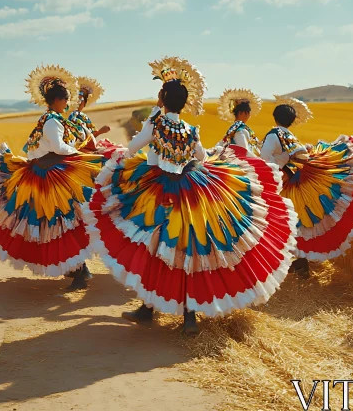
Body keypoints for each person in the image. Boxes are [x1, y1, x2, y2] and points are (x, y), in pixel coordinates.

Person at [84, 57, 299, 335]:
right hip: (194, 188)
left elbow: (133, 147)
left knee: (156, 247)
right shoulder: (189, 129)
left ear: (162, 98)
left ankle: (150, 309)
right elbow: (200, 156)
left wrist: (125, 162)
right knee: (191, 249)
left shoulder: (155, 124)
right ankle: (186, 317)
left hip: (159, 190)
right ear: (184, 104)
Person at [0, 64, 104, 291]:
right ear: (59, 100)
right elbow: (60, 147)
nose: (68, 102)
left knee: (62, 219)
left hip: (47, 172)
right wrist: (78, 153)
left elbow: (44, 147)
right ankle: (78, 268)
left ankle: (79, 269)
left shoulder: (50, 119)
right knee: (61, 219)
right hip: (49, 175)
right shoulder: (52, 121)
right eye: (67, 98)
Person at [260, 96, 353, 277]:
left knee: (290, 222)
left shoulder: (275, 135)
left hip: (281, 182)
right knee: (299, 221)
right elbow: (298, 155)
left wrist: (283, 168)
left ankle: (297, 263)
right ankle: (300, 263)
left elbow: (271, 159)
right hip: (288, 182)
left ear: (275, 118)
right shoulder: (286, 135)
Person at [210, 88, 263, 158]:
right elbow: (244, 149)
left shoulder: (236, 128)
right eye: (248, 113)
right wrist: (259, 161)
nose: (249, 115)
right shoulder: (238, 129)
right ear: (241, 113)